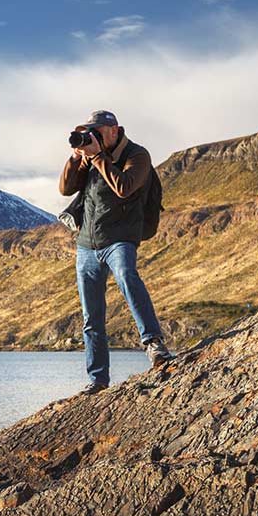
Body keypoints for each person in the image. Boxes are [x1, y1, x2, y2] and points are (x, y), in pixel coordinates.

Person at [57, 110, 174, 395]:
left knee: (127, 276)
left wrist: (98, 158)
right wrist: (77, 158)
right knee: (91, 315)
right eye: (90, 131)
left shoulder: (138, 155)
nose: (93, 136)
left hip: (120, 237)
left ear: (114, 130)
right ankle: (98, 380)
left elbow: (124, 187)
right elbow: (64, 189)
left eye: (97, 131)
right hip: (87, 243)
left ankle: (154, 345)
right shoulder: (88, 156)